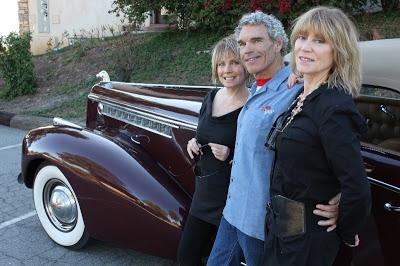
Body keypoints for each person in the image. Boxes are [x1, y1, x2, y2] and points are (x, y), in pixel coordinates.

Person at [207, 11, 340, 266]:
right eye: (243, 43)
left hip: (265, 222)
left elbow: (335, 144)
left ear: (278, 43)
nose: (247, 50)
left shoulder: (300, 90)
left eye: (257, 40)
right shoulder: (255, 86)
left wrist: (343, 197)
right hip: (234, 210)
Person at [264, 6, 371, 266]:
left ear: (339, 52)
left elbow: (356, 186)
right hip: (280, 228)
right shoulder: (304, 95)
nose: (305, 47)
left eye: (320, 41)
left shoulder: (334, 107)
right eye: (302, 38)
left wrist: (345, 224)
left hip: (306, 240)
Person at [177, 35, 249, 266]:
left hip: (231, 200)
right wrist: (193, 144)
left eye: (234, 62)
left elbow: (258, 154)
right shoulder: (211, 97)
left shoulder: (252, 104)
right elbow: (202, 135)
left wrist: (231, 155)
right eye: (221, 64)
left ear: (245, 65)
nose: (227, 70)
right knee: (186, 256)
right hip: (204, 194)